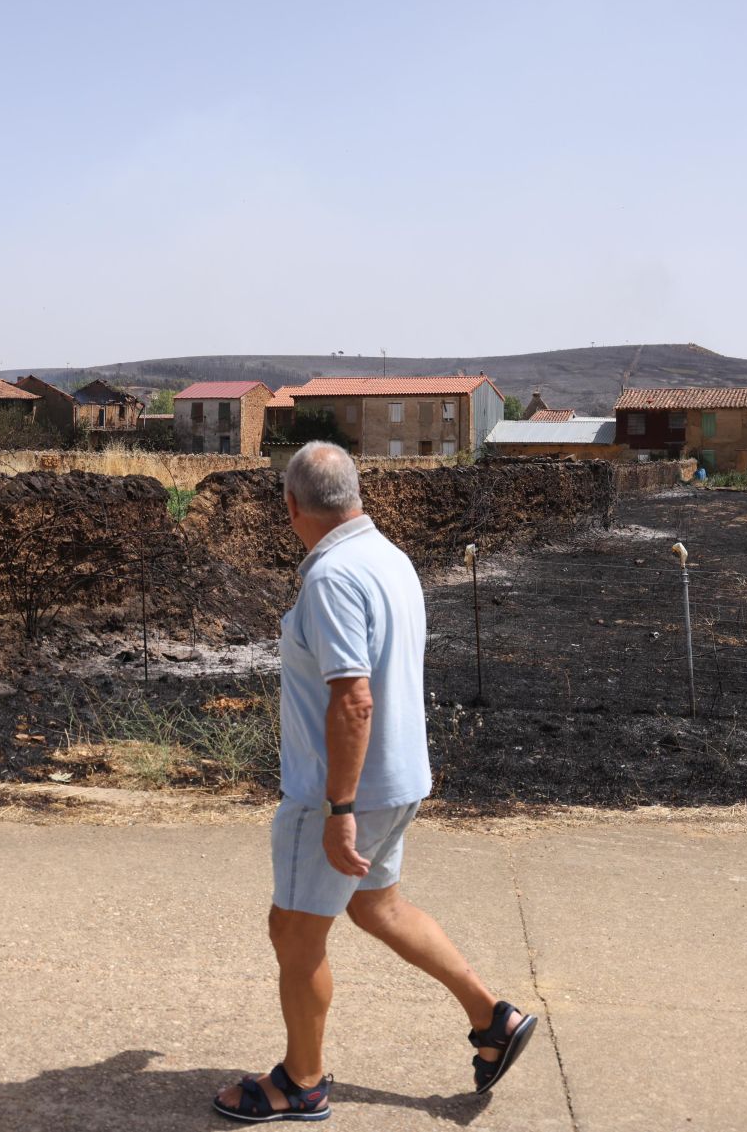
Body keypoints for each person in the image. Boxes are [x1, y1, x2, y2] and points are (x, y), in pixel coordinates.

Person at [213, 442, 536, 1124]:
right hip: (398, 779)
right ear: (354, 494)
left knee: (294, 933)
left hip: (341, 794)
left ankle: (302, 1083)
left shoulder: (331, 578)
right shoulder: (390, 557)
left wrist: (338, 809)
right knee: (377, 907)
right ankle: (493, 1018)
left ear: (291, 505)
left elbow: (354, 699)